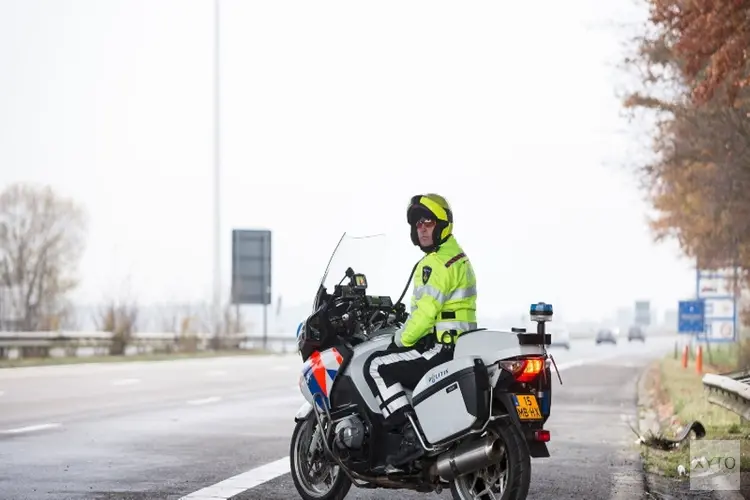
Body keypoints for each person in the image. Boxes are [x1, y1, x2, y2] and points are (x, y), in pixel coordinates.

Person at [364, 193, 478, 468]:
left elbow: (425, 316)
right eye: (418, 225)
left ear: (442, 225)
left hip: (441, 348)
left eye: (428, 222)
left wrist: (398, 339)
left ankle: (410, 436)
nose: (422, 229)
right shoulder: (458, 257)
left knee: (377, 365)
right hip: (460, 345)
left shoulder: (435, 264)